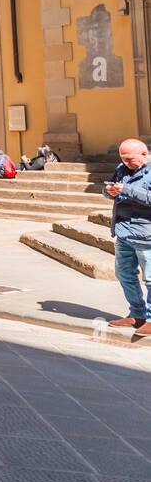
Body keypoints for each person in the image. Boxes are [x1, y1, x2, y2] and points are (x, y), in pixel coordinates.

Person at [104, 139, 151, 336]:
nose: (126, 163)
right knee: (124, 274)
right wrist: (109, 192)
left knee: (150, 279)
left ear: (144, 154)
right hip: (123, 231)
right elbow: (112, 189)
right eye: (123, 159)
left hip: (146, 234)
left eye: (130, 159)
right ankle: (137, 314)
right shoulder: (121, 168)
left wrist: (127, 190)